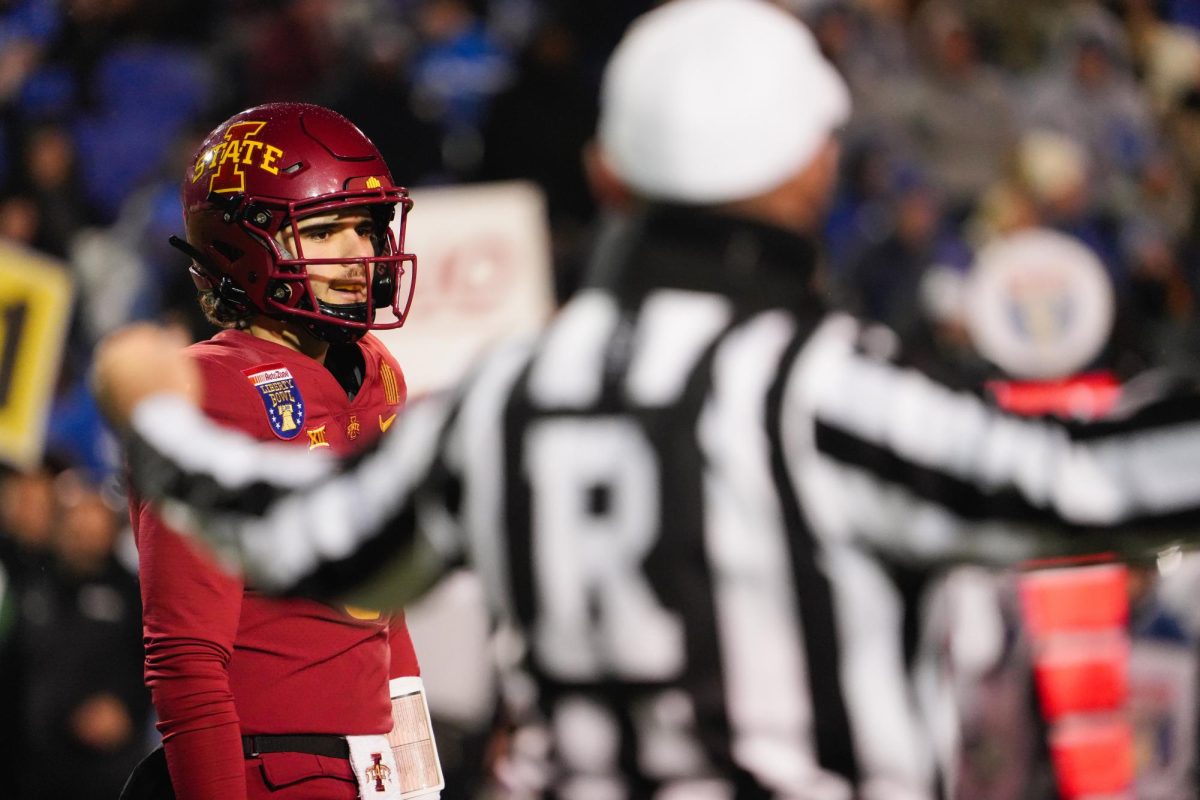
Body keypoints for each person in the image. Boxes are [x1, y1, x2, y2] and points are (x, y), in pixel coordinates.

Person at [94, 1, 1200, 797]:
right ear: (813, 173)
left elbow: (302, 537)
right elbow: (1092, 480)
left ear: (608, 177)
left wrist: (155, 413)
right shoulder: (839, 391)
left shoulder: (502, 401)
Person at [123, 102, 441, 800]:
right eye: (326, 230)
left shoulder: (377, 369)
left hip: (375, 775)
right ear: (242, 246)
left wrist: (419, 783)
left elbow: (384, 613)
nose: (362, 253)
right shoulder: (208, 388)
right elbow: (186, 656)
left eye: (365, 225)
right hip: (269, 772)